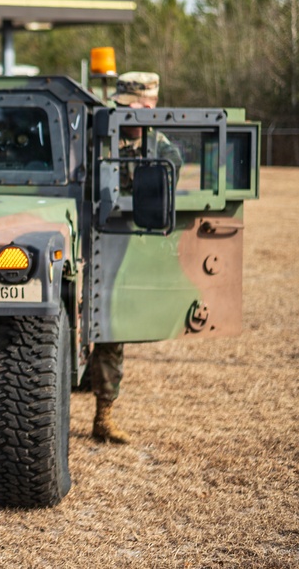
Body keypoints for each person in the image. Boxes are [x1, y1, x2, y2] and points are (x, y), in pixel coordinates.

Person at [90, 71, 181, 444]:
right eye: (125, 107)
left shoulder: (162, 149)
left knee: (113, 331)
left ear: (152, 106)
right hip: (89, 244)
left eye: (139, 108)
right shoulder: (95, 140)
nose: (130, 116)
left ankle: (103, 415)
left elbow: (167, 190)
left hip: (126, 253)